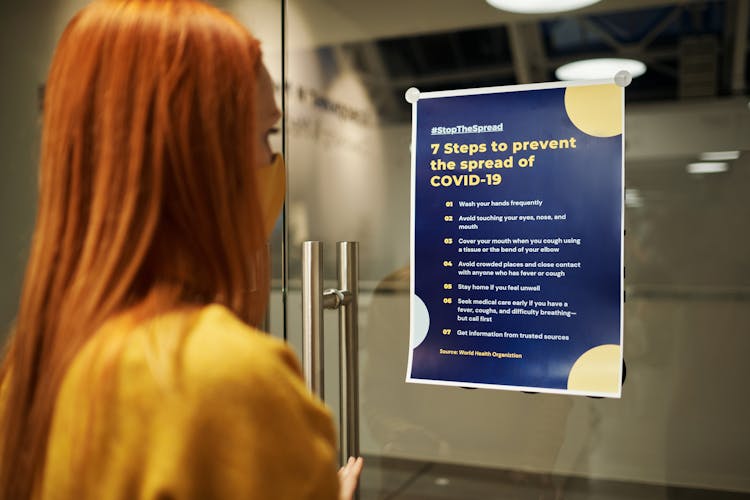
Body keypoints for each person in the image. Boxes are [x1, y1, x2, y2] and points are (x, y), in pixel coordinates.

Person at [0, 0, 363, 498]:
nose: (271, 160)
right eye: (265, 134)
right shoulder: (229, 379)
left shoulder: (28, 367)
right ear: (198, 158)